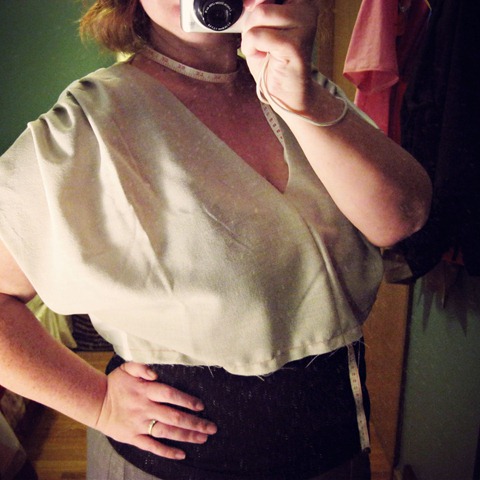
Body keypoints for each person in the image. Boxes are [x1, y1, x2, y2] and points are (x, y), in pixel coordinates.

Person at [0, 0, 432, 478]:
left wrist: (303, 99)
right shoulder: (85, 126)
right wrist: (99, 403)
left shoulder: (298, 88)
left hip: (338, 454)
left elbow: (403, 218)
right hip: (171, 466)